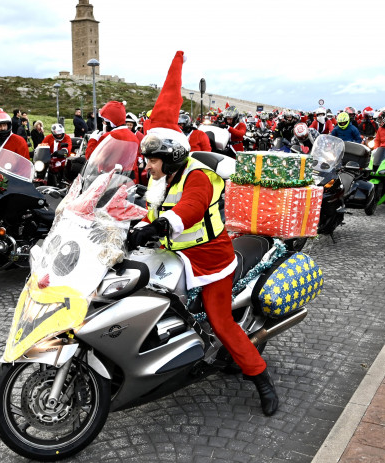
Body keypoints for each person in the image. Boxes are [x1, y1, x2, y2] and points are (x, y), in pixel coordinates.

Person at [127, 50, 278, 416]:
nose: (148, 166)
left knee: (220, 320)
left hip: (209, 257)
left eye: (153, 159)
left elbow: (190, 209)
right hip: (171, 254)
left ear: (172, 155)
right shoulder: (160, 178)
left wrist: (160, 226)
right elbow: (147, 207)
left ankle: (261, 378)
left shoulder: (199, 175)